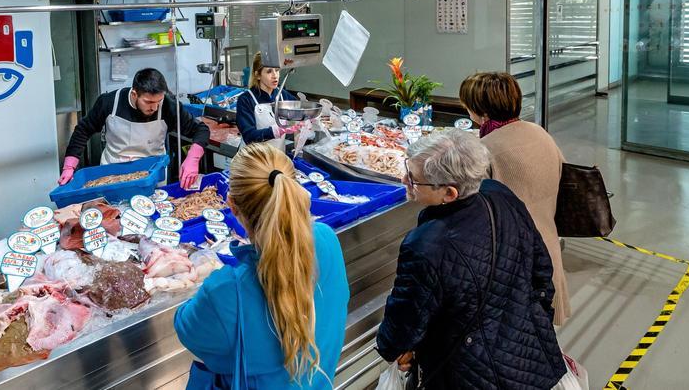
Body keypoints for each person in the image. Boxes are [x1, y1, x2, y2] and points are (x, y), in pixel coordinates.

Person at [376, 129, 566, 389]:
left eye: (413, 179)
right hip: (529, 359)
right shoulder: (499, 195)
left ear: (450, 193)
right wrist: (536, 321)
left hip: (467, 374)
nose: (404, 180)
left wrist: (395, 349)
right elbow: (541, 269)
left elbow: (404, 322)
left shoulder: (426, 246)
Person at [175, 142, 349, 389]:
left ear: (231, 205)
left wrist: (215, 283)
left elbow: (186, 329)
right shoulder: (326, 238)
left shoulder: (225, 291)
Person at [459, 71, 570, 325]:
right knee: (542, 340)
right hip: (548, 252)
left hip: (510, 267)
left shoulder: (483, 150)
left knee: (517, 346)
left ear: (480, 111)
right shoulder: (539, 132)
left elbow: (470, 211)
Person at [59, 68, 209, 188]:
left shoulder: (168, 106)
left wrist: (193, 158)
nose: (155, 107)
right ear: (134, 93)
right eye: (148, 102)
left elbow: (201, 130)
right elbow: (83, 130)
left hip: (152, 177)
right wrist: (69, 166)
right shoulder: (109, 102)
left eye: (158, 101)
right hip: (112, 175)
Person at [235, 52, 302, 147]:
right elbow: (248, 137)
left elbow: (301, 110)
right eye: (269, 71)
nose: (275, 75)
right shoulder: (246, 99)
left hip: (276, 157)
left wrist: (312, 118)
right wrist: (275, 131)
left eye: (277, 70)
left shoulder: (282, 95)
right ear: (258, 75)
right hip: (254, 158)